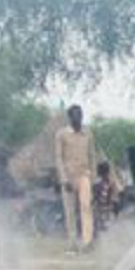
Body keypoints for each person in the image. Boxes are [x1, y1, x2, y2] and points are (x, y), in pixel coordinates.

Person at [54, 104, 97, 254]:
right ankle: (72, 242)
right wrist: (64, 179)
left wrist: (93, 178)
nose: (79, 117)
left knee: (86, 207)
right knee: (70, 211)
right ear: (70, 117)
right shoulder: (61, 134)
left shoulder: (88, 133)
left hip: (84, 175)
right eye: (76, 115)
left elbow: (92, 156)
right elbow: (58, 158)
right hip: (68, 176)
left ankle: (87, 242)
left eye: (80, 114)